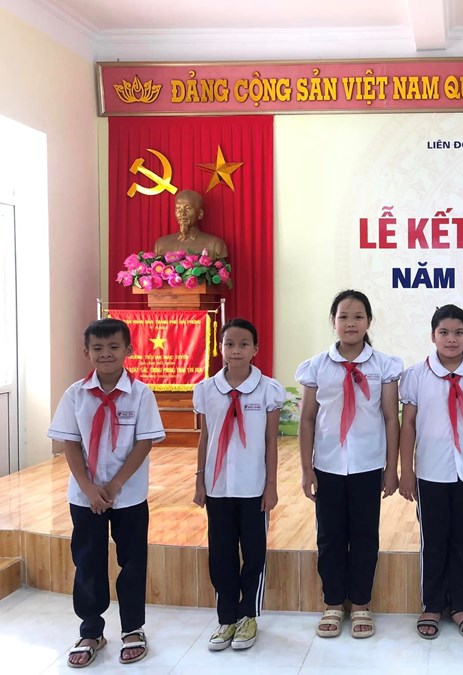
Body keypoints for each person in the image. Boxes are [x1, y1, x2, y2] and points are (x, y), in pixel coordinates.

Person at [48, 318, 165, 667]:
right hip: (85, 497)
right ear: (86, 352)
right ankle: (90, 630)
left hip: (128, 496)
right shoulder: (75, 394)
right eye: (97, 348)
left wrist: (115, 485)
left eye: (114, 347)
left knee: (132, 561)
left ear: (129, 350)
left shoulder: (141, 394)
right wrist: (88, 487)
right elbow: (70, 443)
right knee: (88, 562)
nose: (106, 354)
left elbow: (144, 442)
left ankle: (132, 628)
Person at [296, 290, 402, 639]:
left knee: (364, 536)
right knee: (329, 537)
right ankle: (332, 603)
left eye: (358, 316)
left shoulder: (383, 366)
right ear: (333, 321)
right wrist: (306, 468)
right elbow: (307, 419)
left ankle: (360, 604)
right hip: (327, 465)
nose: (351, 323)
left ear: (369, 322)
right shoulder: (317, 366)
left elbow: (391, 418)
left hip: (367, 465)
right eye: (343, 316)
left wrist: (391, 468)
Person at [398, 305, 463, 640]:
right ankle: (432, 604)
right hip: (431, 472)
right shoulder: (416, 375)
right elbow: (408, 425)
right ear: (433, 336)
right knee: (434, 540)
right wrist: (406, 470)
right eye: (444, 332)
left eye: (458, 332)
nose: (451, 339)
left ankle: (462, 605)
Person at [192, 318, 285, 651]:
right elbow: (205, 437)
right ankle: (226, 618)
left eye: (244, 344)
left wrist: (271, 485)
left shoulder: (268, 389)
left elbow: (271, 441)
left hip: (253, 487)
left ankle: (249, 616)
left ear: (255, 349)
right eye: (229, 344)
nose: (236, 350)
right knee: (221, 553)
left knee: (254, 553)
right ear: (221, 348)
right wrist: (200, 480)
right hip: (218, 487)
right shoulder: (206, 390)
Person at [154, 190, 228, 258]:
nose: (182, 213)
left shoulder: (215, 245)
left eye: (188, 208)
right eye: (178, 208)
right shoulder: (161, 244)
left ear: (200, 214)